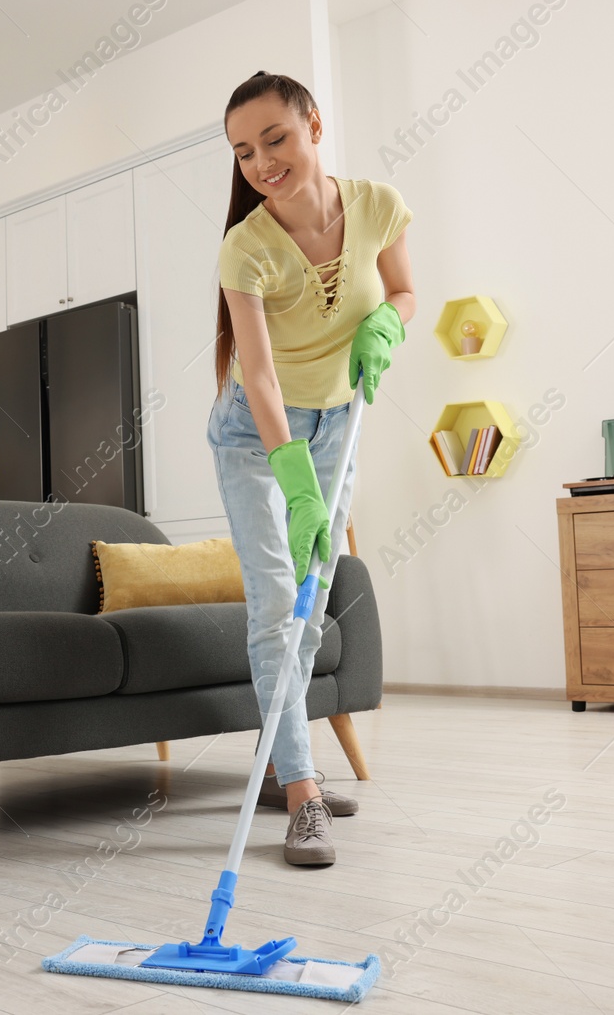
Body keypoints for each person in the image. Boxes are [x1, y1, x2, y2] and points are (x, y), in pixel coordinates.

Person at [207, 71, 415, 866]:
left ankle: (283, 762)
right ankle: (301, 790)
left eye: (275, 139)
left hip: (338, 420)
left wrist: (389, 324)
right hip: (255, 436)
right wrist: (292, 479)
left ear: (315, 125)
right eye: (244, 151)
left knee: (313, 598)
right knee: (276, 607)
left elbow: (403, 288)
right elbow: (257, 377)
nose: (261, 161)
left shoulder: (378, 206)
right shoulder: (246, 247)